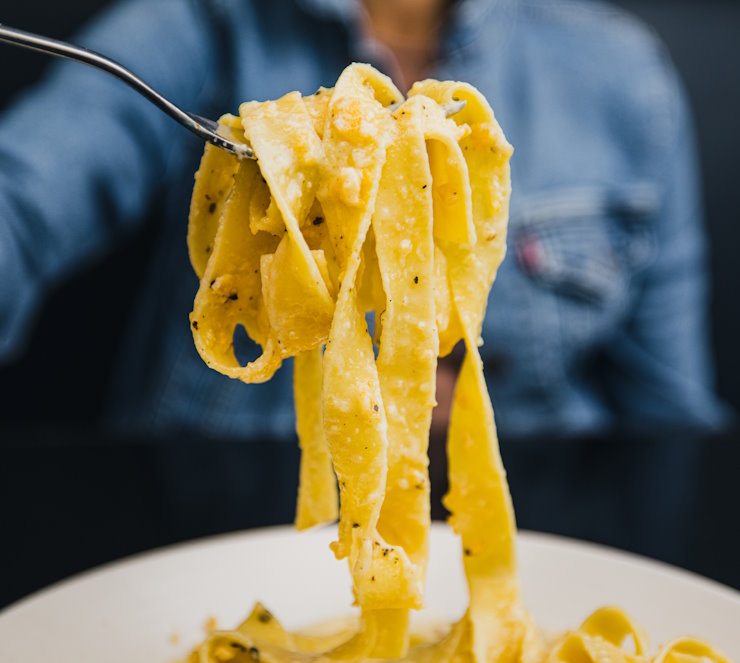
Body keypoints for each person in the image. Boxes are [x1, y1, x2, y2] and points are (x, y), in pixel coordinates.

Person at [0, 0, 727, 437]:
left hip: (545, 529)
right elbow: (25, 199)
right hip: (213, 507)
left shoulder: (622, 77)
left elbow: (671, 426)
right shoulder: (207, 21)